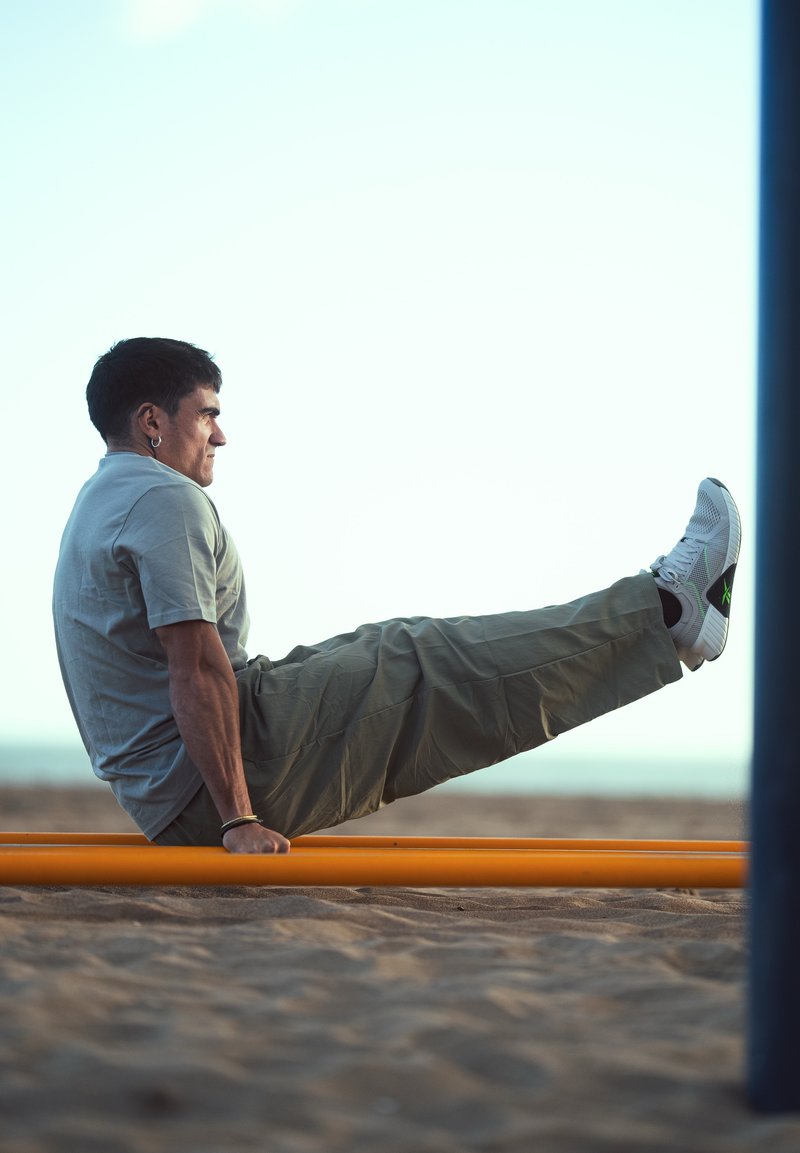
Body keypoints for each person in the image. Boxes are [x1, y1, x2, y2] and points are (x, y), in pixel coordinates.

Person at [53, 337, 741, 855]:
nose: (221, 434)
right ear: (152, 420)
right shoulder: (162, 499)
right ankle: (667, 612)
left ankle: (660, 617)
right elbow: (195, 667)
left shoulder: (101, 498)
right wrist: (237, 819)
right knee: (429, 662)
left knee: (394, 647)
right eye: (207, 415)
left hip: (178, 782)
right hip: (209, 783)